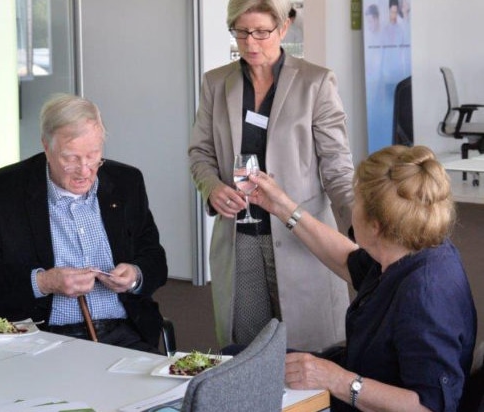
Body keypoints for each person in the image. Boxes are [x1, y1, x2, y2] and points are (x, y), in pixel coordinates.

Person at [249, 145, 477, 411]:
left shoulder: (425, 297)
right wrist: (282, 207)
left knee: (239, 383)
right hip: (357, 376)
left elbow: (429, 406)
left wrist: (337, 379)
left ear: (375, 226)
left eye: (356, 201)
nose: (352, 208)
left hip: (357, 395)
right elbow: (347, 261)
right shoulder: (409, 246)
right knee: (235, 357)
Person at [188, 0, 355, 351]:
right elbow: (200, 152)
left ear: (283, 27)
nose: (251, 43)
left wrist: (361, 228)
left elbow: (337, 167)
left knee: (310, 352)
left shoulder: (316, 82)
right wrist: (212, 187)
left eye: (262, 32)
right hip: (240, 237)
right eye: (242, 32)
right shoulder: (216, 83)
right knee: (248, 349)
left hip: (302, 235)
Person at [0, 93, 167, 354]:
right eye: (70, 158)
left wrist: (136, 275)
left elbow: (155, 260)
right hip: (40, 340)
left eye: (93, 155)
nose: (84, 170)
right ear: (46, 146)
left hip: (123, 334)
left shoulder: (126, 181)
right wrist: (44, 282)